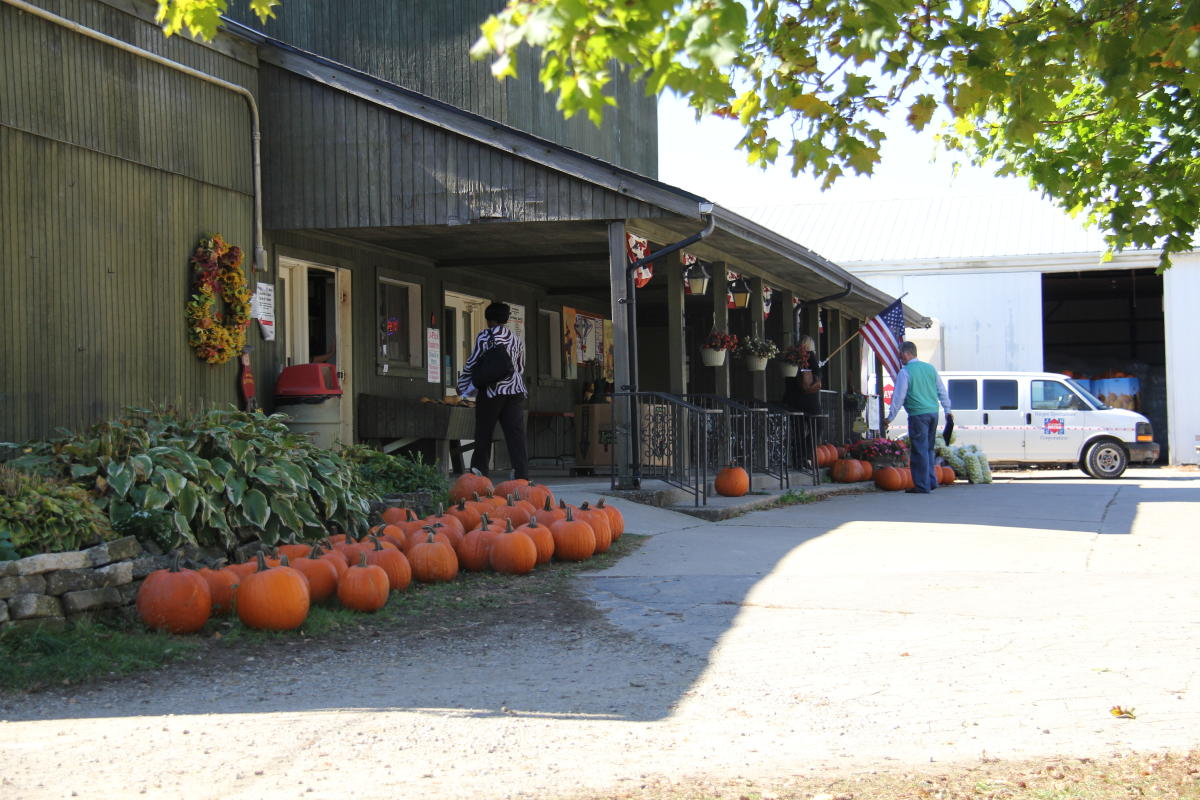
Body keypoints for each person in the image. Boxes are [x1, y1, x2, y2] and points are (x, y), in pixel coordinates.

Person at [458, 302, 529, 480]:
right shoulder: (515, 339)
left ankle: (479, 473)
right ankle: (522, 475)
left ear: (489, 320)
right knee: (515, 434)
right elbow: (519, 367)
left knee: (484, 432)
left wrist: (463, 386)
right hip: (515, 391)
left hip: (492, 391)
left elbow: (472, 362)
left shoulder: (485, 336)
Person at [886, 341, 952, 494]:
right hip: (933, 413)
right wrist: (947, 409)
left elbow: (898, 397)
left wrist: (890, 417)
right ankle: (931, 481)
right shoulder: (930, 369)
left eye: (900, 354)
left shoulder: (905, 372)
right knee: (928, 449)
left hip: (917, 414)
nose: (900, 358)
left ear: (906, 353)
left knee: (919, 450)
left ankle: (922, 485)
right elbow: (941, 390)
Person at [781, 335, 823, 467]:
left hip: (792, 401)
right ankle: (805, 454)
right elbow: (818, 376)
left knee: (797, 431)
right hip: (809, 401)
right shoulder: (811, 357)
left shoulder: (791, 358)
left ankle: (797, 459)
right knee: (817, 426)